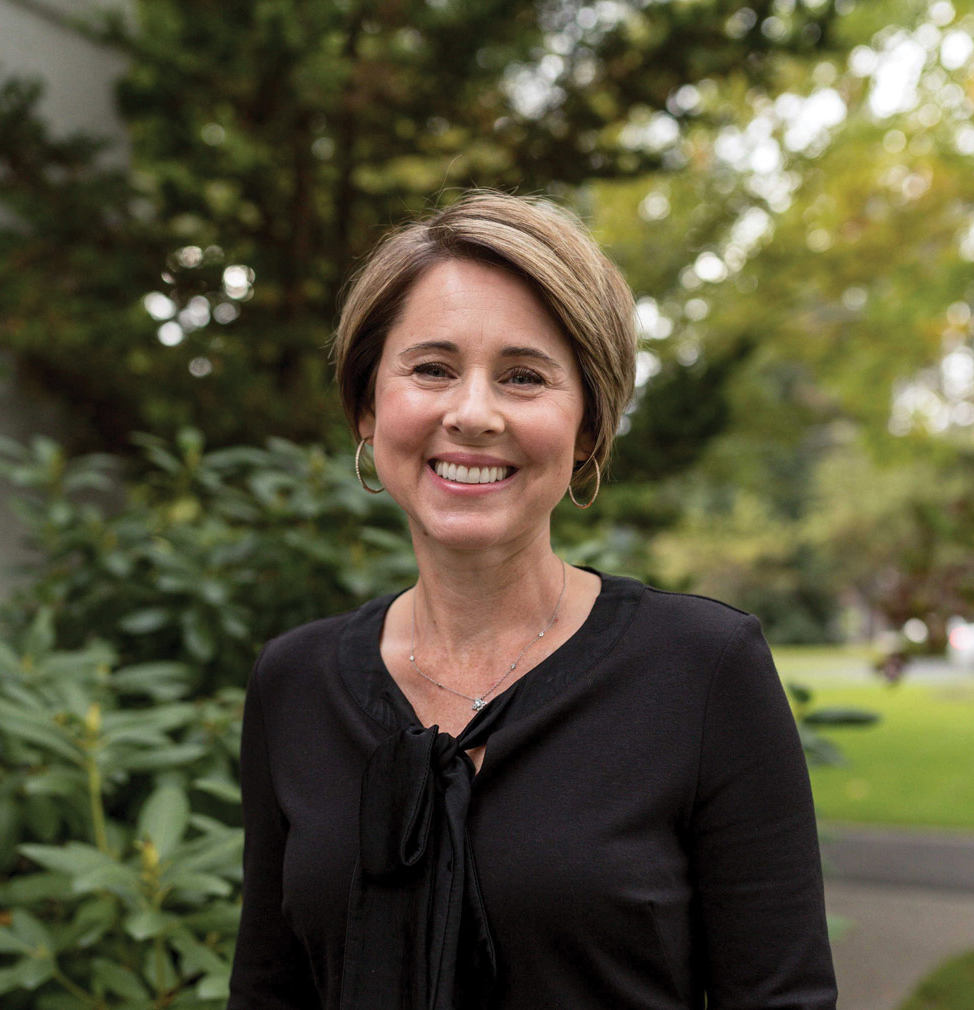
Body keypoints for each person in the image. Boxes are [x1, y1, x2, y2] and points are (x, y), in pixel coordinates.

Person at [227, 190, 837, 1010]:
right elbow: (269, 993)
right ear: (369, 407)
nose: (472, 413)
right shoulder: (292, 682)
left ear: (588, 428)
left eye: (524, 377)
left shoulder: (701, 671)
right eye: (432, 368)